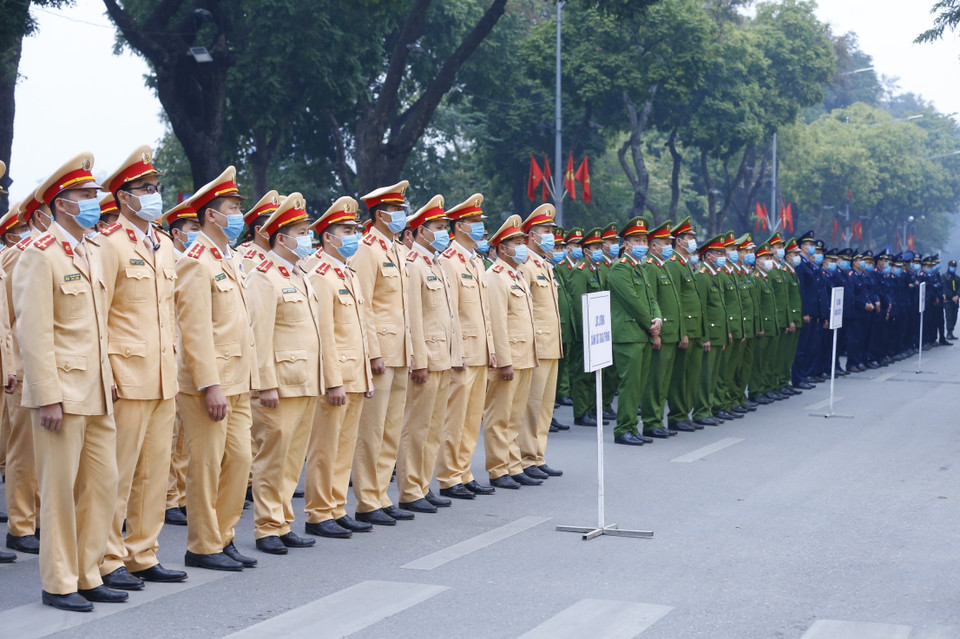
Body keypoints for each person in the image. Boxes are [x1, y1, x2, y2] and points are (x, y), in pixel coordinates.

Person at [15, 153, 121, 610]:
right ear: (61, 204)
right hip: (62, 393)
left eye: (95, 194)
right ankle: (59, 581)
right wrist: (47, 397)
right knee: (59, 492)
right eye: (84, 195)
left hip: (97, 391)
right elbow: (34, 332)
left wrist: (108, 376)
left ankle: (87, 572)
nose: (94, 202)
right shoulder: (40, 255)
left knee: (103, 485)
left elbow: (100, 325)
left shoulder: (92, 250)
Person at [97, 146, 186, 588]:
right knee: (117, 473)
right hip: (126, 375)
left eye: (156, 187)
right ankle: (107, 557)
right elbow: (99, 316)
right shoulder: (108, 244)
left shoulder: (165, 244)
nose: (154, 194)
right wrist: (106, 372)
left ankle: (142, 553)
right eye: (145, 188)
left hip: (162, 375)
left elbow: (168, 313)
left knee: (154, 472)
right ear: (123, 197)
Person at [175, 166, 259, 572]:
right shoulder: (196, 262)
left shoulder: (231, 257)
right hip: (210, 383)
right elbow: (194, 331)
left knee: (240, 461)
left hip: (238, 379)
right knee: (207, 465)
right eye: (233, 208)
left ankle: (224, 536)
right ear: (211, 214)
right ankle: (203, 545)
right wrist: (209, 384)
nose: (239, 214)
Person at [245, 193, 323, 555]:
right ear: (281, 238)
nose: (308, 238)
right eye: (302, 232)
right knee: (272, 458)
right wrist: (264, 384)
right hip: (279, 383)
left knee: (292, 459)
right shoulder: (263, 277)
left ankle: (283, 520)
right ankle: (266, 527)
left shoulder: (299, 274)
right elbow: (258, 335)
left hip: (304, 380)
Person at [303, 197, 374, 538]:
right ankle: (318, 512)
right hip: (337, 377)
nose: (353, 236)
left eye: (354, 230)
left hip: (355, 373)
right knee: (325, 447)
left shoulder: (348, 272)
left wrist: (366, 373)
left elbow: (360, 326)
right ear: (328, 237)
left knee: (344, 446)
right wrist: (332, 381)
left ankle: (336, 506)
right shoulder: (320, 275)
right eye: (346, 231)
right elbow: (324, 333)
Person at [351, 181, 415, 526]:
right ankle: (366, 499)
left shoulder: (397, 250)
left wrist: (411, 349)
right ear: (380, 214)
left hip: (400, 350)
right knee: (372, 430)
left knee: (391, 429)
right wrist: (372, 352)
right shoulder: (367, 250)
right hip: (381, 353)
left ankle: (381, 494)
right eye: (396, 210)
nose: (402, 215)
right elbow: (364, 305)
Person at [396, 195, 463, 512]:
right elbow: (413, 318)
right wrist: (419, 361)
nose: (443, 233)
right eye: (437, 227)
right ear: (420, 231)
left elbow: (448, 317)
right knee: (416, 427)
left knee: (434, 426)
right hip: (427, 358)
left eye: (445, 227)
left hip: (443, 356)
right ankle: (410, 489)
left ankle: (423, 484)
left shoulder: (436, 264)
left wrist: (455, 355)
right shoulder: (413, 266)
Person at [436, 194, 497, 499]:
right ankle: (449, 476)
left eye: (479, 221)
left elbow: (482, 311)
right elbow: (450, 312)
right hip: (462, 352)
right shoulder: (449, 260)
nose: (479, 227)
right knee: (455, 418)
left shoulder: (475, 260)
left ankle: (464, 471)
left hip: (479, 350)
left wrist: (491, 347)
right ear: (459, 226)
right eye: (473, 222)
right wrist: (455, 351)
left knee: (472, 419)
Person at [1, 193, 52, 555]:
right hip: (23, 363)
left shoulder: (59, 251)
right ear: (37, 217)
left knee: (45, 450)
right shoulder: (20, 254)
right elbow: (5, 316)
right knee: (24, 449)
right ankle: (20, 525)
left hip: (50, 364)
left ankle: (37, 519)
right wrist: (10, 365)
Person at [483, 215, 540, 489]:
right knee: (499, 415)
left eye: (522, 241)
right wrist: (504, 361)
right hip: (510, 359)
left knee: (515, 416)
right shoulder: (495, 277)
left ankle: (513, 464)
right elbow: (497, 322)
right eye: (516, 242)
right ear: (502, 248)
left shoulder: (516, 275)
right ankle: (498, 468)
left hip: (524, 355)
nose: (521, 247)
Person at [159, 199, 200, 528]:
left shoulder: (193, 261)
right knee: (170, 436)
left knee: (185, 436)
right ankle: (169, 497)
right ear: (176, 232)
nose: (198, 233)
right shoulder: (166, 259)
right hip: (168, 356)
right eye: (192, 228)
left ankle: (183, 494)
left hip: (189, 357)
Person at [518, 204, 563, 477]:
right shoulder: (526, 265)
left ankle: (537, 455)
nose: (550, 236)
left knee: (545, 406)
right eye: (545, 231)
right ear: (532, 235)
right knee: (531, 406)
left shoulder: (544, 264)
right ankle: (525, 457)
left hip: (551, 345)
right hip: (536, 345)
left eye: (551, 231)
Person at [608, 217, 660, 446]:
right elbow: (632, 301)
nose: (642, 244)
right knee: (629, 384)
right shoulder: (620, 268)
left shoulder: (640, 267)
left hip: (642, 333)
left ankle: (632, 426)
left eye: (644, 240)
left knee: (639, 383)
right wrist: (650, 324)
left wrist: (658, 319)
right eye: (636, 240)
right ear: (626, 244)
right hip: (629, 334)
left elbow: (651, 298)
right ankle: (622, 429)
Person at [640, 220, 685, 438]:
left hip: (671, 333)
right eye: (665, 243)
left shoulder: (663, 265)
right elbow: (650, 301)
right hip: (661, 334)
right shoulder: (650, 267)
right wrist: (654, 333)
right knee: (655, 381)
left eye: (669, 242)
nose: (668, 246)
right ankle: (651, 422)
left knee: (664, 381)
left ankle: (658, 420)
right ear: (653, 245)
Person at [665, 217, 704, 431]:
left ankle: (685, 413)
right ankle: (677, 415)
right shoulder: (673, 264)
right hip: (685, 329)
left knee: (691, 374)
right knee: (680, 376)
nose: (692, 241)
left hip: (695, 328)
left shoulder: (685, 263)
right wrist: (683, 331)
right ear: (679, 241)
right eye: (689, 237)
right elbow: (676, 300)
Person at [566, 228, 604, 426]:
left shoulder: (594, 269)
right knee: (582, 374)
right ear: (586, 250)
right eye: (596, 247)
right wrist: (584, 332)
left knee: (592, 374)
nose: (600, 250)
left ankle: (590, 409)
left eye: (600, 246)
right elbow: (579, 305)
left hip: (596, 331)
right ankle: (581, 412)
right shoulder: (580, 271)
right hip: (585, 332)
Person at [692, 235, 728, 426]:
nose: (722, 256)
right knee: (705, 376)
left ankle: (709, 407)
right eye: (718, 253)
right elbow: (702, 309)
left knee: (713, 374)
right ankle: (701, 411)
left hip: (718, 333)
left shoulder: (716, 275)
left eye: (723, 253)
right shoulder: (702, 276)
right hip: (709, 334)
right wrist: (704, 336)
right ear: (707, 256)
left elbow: (721, 308)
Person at [239, 190, 280, 274]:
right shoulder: (250, 260)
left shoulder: (278, 255)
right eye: (273, 224)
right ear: (258, 230)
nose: (279, 229)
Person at [945, 259, 959, 339]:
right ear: (948, 266)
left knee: (954, 316)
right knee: (949, 316)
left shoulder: (957, 277)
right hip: (948, 300)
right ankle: (949, 332)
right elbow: (945, 288)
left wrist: (957, 296)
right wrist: (952, 297)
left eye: (954, 266)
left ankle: (952, 331)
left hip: (956, 300)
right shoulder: (944, 276)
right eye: (952, 266)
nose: (953, 268)